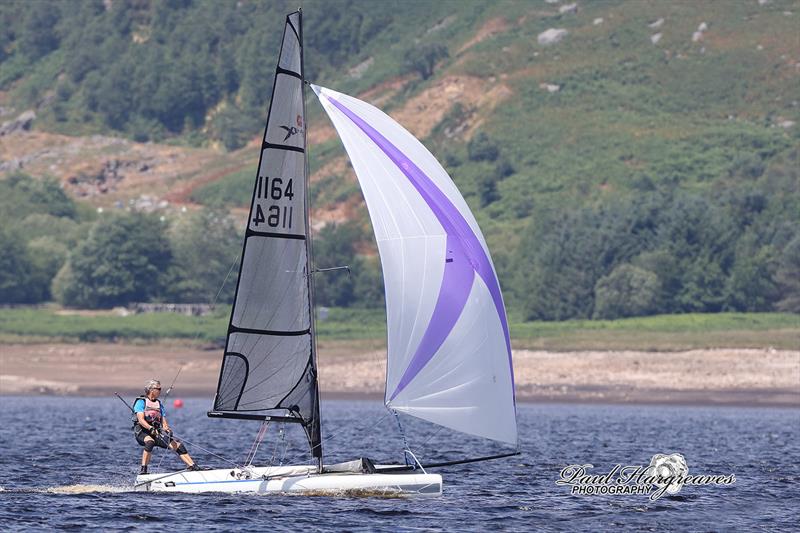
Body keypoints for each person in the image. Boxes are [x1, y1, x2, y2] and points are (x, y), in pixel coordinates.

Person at [133, 379, 199, 475]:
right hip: (142, 432)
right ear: (151, 390)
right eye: (158, 389)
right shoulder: (141, 402)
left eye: (160, 389)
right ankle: (144, 470)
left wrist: (167, 429)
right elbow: (141, 420)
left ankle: (192, 466)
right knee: (150, 442)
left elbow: (164, 423)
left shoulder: (159, 404)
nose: (160, 391)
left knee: (178, 445)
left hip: (156, 433)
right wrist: (150, 428)